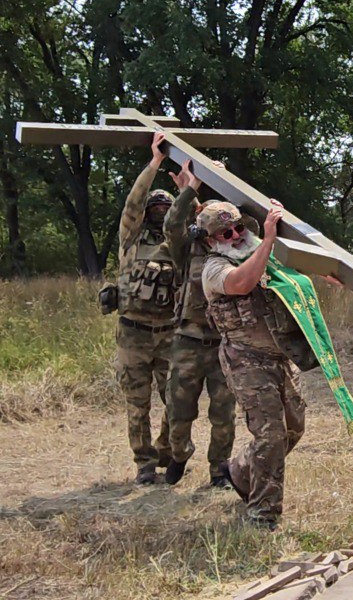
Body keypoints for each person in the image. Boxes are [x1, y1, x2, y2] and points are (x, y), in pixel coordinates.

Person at [197, 199, 306, 529]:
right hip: (245, 360)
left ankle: (241, 471)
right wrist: (269, 240)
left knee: (293, 427)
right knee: (270, 434)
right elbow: (242, 282)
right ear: (211, 240)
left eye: (239, 228)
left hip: (279, 357)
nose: (236, 235)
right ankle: (263, 514)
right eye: (226, 233)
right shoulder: (214, 269)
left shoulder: (258, 252)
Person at [161, 160, 237, 489]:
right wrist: (191, 188)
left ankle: (220, 470)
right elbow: (172, 224)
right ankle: (179, 454)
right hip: (187, 343)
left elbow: (233, 216)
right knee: (179, 411)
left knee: (224, 415)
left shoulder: (237, 251)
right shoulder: (186, 250)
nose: (227, 235)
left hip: (223, 344)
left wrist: (219, 180)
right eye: (219, 231)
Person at [115, 132, 178, 486]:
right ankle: (143, 462)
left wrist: (192, 185)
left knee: (175, 401)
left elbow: (191, 213)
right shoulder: (131, 238)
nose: (157, 211)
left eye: (164, 208)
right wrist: (155, 163)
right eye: (153, 208)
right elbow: (133, 202)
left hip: (168, 333)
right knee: (137, 404)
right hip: (133, 332)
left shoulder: (178, 243)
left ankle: (166, 451)